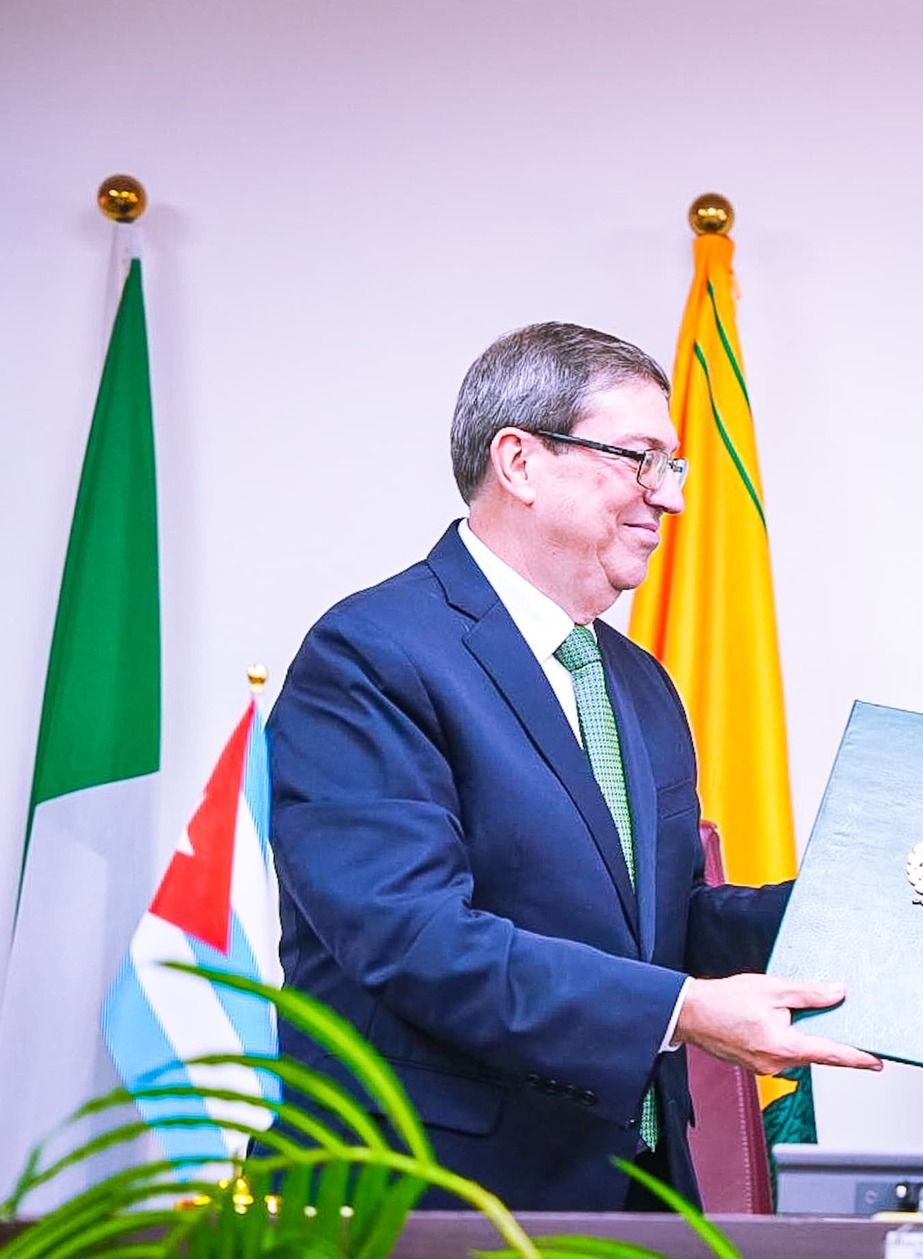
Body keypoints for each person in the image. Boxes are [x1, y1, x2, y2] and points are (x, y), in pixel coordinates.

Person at [267, 322, 880, 1212]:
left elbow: (665, 928)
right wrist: (684, 1011)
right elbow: (416, 939)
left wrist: (866, 913)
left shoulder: (639, 683)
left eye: (672, 468)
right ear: (518, 461)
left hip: (633, 1197)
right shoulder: (370, 655)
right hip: (432, 1203)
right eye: (638, 458)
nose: (666, 499)